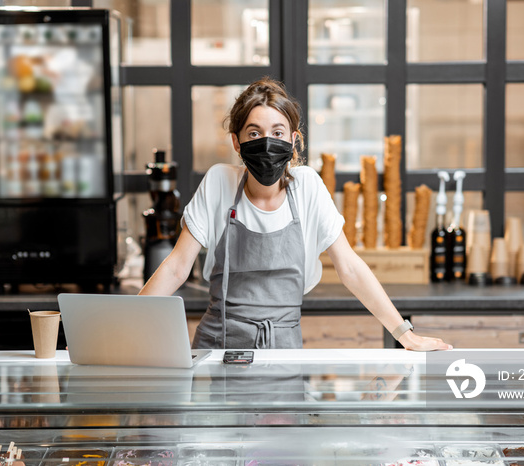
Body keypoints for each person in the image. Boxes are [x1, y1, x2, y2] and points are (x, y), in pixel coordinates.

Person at [139, 77, 451, 352]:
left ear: (293, 140)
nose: (267, 143)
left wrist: (404, 334)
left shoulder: (308, 188)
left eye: (278, 132)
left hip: (284, 351)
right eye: (253, 134)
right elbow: (177, 268)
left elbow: (351, 268)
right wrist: (123, 328)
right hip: (219, 348)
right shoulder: (219, 182)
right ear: (236, 142)